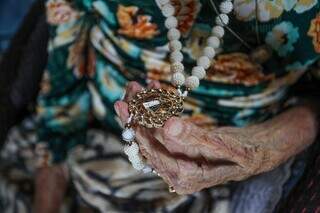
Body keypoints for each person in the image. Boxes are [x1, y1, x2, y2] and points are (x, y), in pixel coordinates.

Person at [0, 0, 319, 212]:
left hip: (248, 156)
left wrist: (262, 150)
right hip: (95, 130)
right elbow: (62, 79)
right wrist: (50, 188)